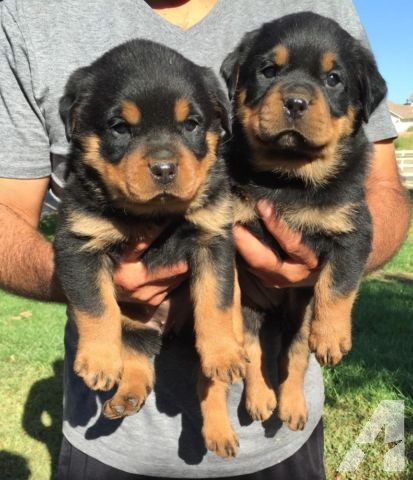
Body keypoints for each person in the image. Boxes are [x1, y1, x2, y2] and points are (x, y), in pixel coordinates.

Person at [0, 0, 409, 479]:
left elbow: (384, 192)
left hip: (280, 435)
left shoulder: (323, 7)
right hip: (108, 437)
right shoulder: (27, 15)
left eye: (191, 124)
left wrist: (324, 278)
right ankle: (137, 368)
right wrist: (95, 289)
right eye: (120, 127)